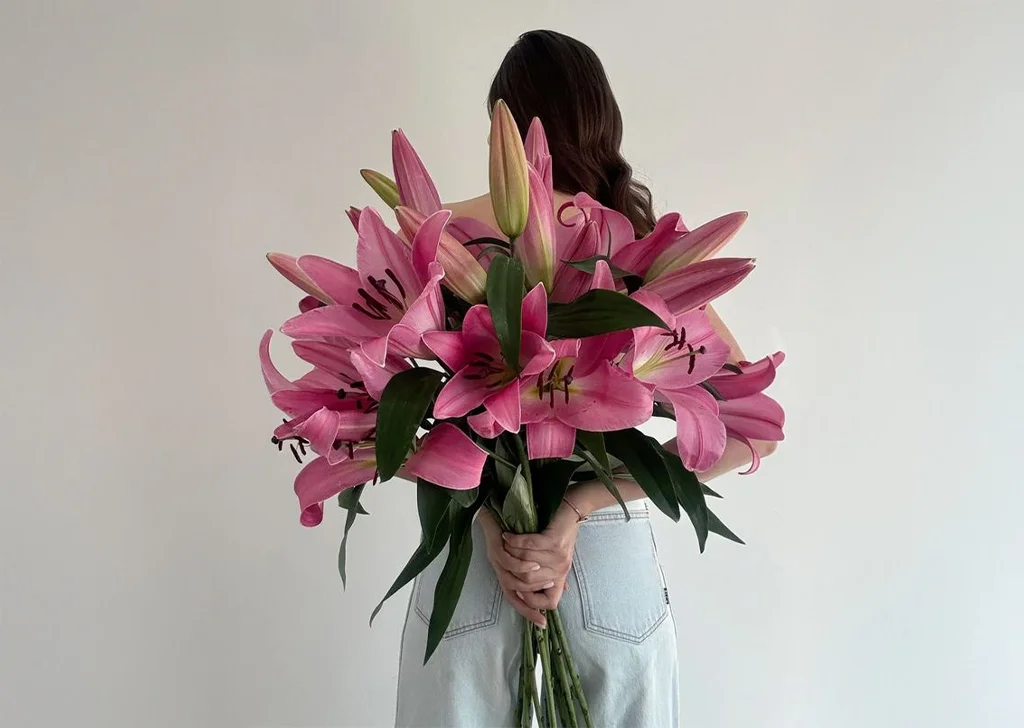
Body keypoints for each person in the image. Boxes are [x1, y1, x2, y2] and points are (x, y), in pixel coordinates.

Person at [394, 29, 777, 728]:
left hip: (485, 561)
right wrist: (580, 507)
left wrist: (492, 521)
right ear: (604, 121)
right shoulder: (641, 245)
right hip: (606, 561)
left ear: (503, 131)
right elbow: (754, 429)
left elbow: (402, 415)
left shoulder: (440, 237)